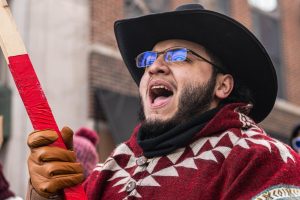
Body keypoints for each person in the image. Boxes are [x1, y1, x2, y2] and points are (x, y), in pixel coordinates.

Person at [26, 4, 300, 200]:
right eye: (148, 59)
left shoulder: (263, 159)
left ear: (222, 85)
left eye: (179, 56)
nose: (154, 67)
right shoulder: (110, 169)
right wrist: (44, 196)